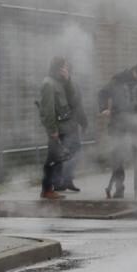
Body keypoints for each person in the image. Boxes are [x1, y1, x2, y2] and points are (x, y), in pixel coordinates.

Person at [98, 58, 137, 199]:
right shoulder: (118, 80)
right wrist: (103, 109)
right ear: (135, 71)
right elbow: (102, 93)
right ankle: (119, 187)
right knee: (117, 157)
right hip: (118, 123)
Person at [37, 56, 74, 200]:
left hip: (63, 126)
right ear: (58, 68)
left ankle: (49, 188)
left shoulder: (60, 82)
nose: (66, 69)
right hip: (56, 128)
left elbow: (72, 98)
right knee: (52, 159)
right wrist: (53, 130)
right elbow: (48, 110)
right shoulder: (49, 83)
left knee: (57, 159)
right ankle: (46, 189)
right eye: (64, 66)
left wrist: (68, 80)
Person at [55, 63, 87, 193]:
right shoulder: (55, 85)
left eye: (67, 69)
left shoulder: (74, 85)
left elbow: (77, 104)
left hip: (72, 125)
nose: (64, 71)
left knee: (76, 153)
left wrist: (84, 122)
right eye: (63, 69)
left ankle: (67, 180)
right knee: (63, 155)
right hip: (62, 125)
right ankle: (59, 182)